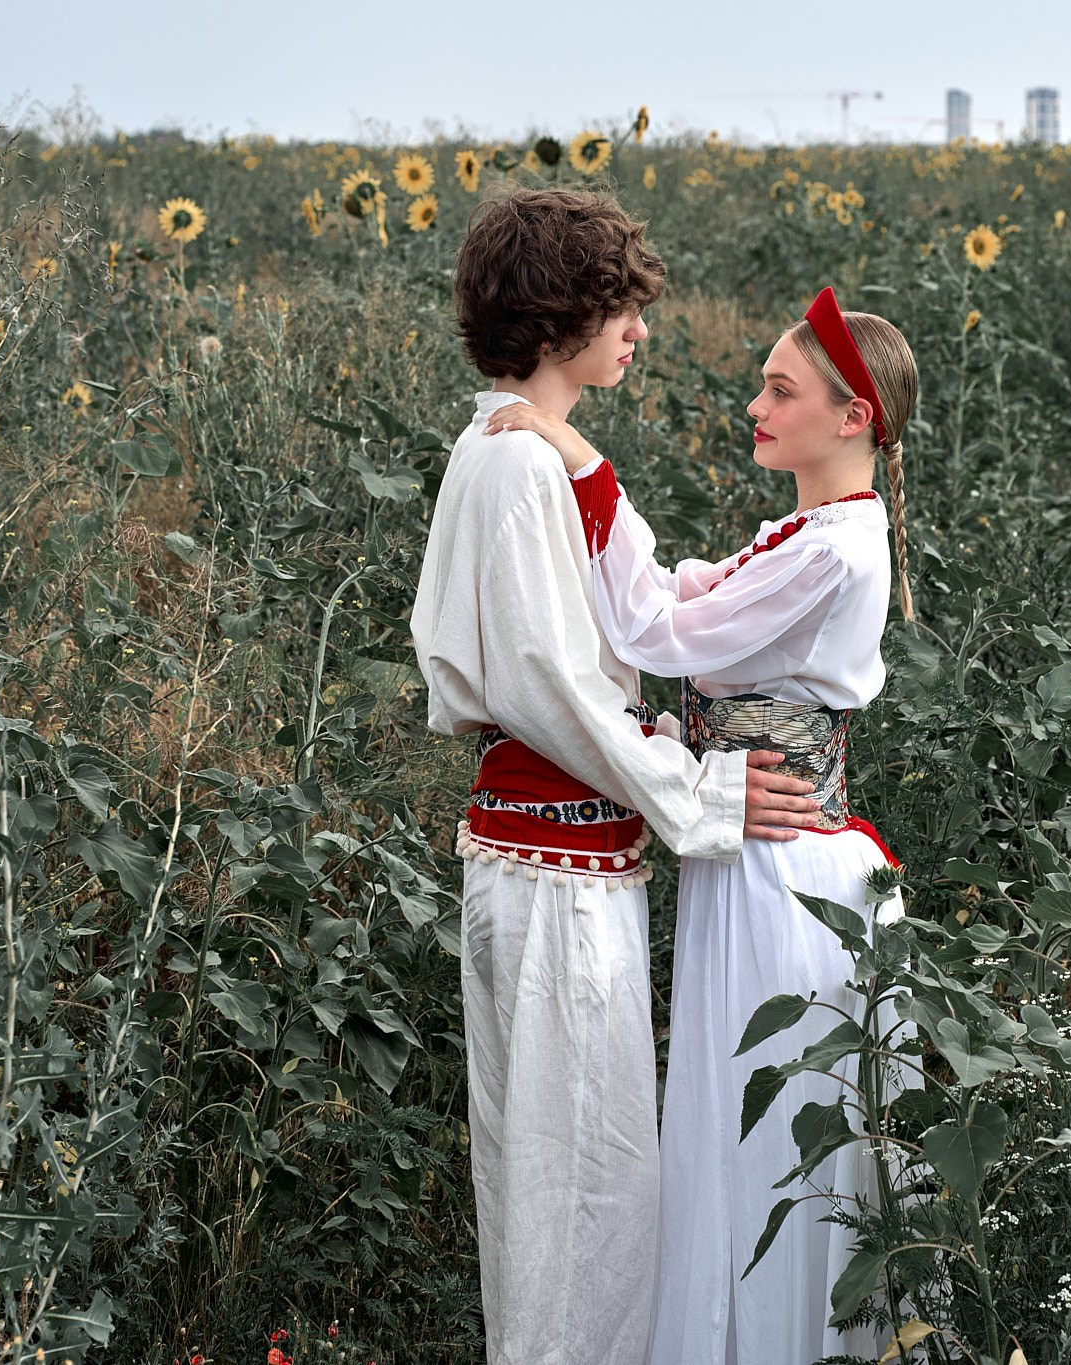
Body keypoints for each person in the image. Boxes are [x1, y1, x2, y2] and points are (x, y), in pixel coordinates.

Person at [410, 187, 824, 1365]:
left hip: (554, 864)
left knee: (571, 1189)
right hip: (550, 874)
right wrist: (704, 793)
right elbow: (554, 687)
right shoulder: (510, 468)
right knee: (576, 1201)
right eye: (618, 308)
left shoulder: (514, 451)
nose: (638, 329)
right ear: (555, 322)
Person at [482, 286, 919, 1365]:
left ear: (853, 415)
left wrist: (580, 461)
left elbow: (660, 627)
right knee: (738, 1144)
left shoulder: (835, 549)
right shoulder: (810, 533)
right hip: (755, 858)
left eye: (781, 390)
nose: (755, 406)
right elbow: (684, 601)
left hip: (786, 878)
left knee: (764, 1154)